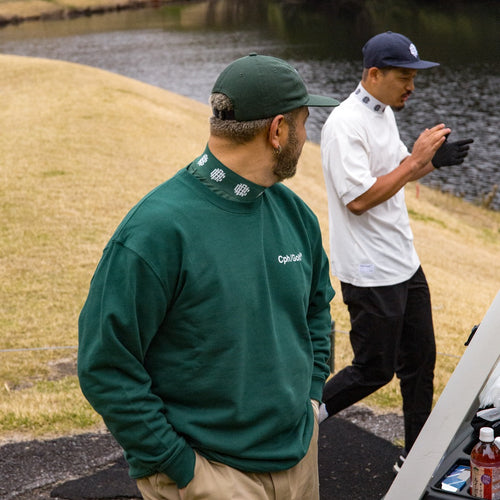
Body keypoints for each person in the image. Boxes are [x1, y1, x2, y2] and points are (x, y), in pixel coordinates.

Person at [78, 53, 339, 500]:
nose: (305, 135)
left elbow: (317, 312)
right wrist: (178, 466)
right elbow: (105, 364)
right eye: (303, 122)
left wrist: (312, 398)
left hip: (299, 462)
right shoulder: (156, 229)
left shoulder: (296, 215)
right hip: (209, 477)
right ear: (277, 131)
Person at [319, 31, 473, 471]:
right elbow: (360, 199)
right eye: (404, 77)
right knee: (373, 369)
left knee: (421, 361)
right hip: (369, 271)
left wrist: (431, 162)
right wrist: (413, 162)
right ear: (374, 74)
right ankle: (299, 423)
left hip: (403, 261)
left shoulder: (382, 112)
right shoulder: (344, 125)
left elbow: (397, 174)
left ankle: (418, 460)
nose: (411, 86)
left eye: (414, 77)